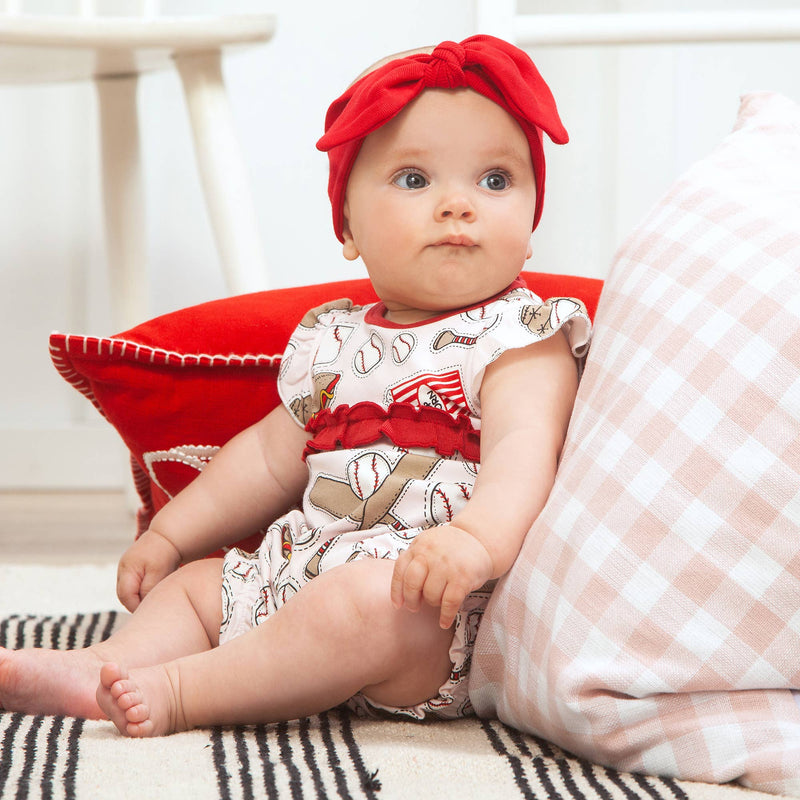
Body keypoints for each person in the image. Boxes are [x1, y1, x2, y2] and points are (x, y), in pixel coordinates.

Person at [0, 35, 591, 737]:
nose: (458, 204)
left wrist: (474, 542)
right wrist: (171, 534)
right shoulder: (333, 339)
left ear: (530, 228)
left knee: (360, 607)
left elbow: (527, 458)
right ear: (347, 225)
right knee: (197, 589)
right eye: (414, 180)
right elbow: (266, 458)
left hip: (427, 612)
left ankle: (185, 692)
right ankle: (104, 666)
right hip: (298, 571)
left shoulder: (522, 333)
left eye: (495, 180)